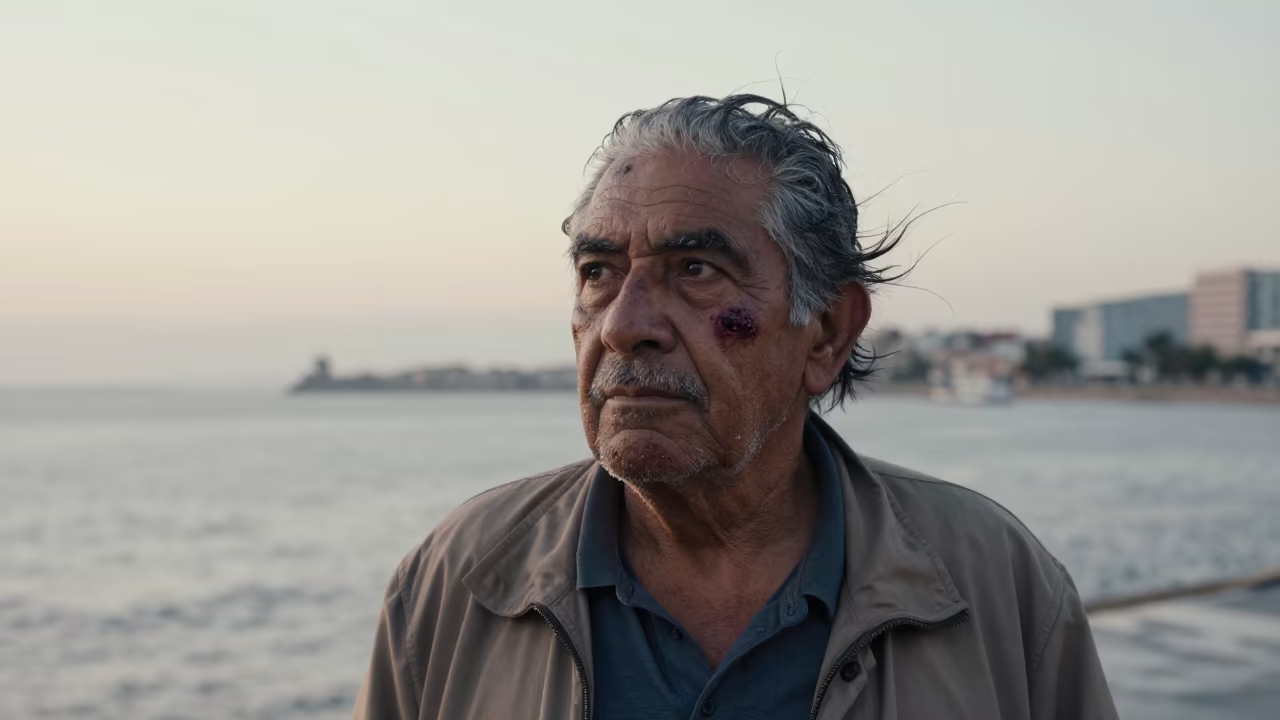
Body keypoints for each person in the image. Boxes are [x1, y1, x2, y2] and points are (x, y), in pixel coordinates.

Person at [353, 94, 1117, 720]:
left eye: (695, 268)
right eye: (597, 271)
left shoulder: (995, 586)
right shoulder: (460, 580)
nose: (624, 324)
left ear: (825, 333)